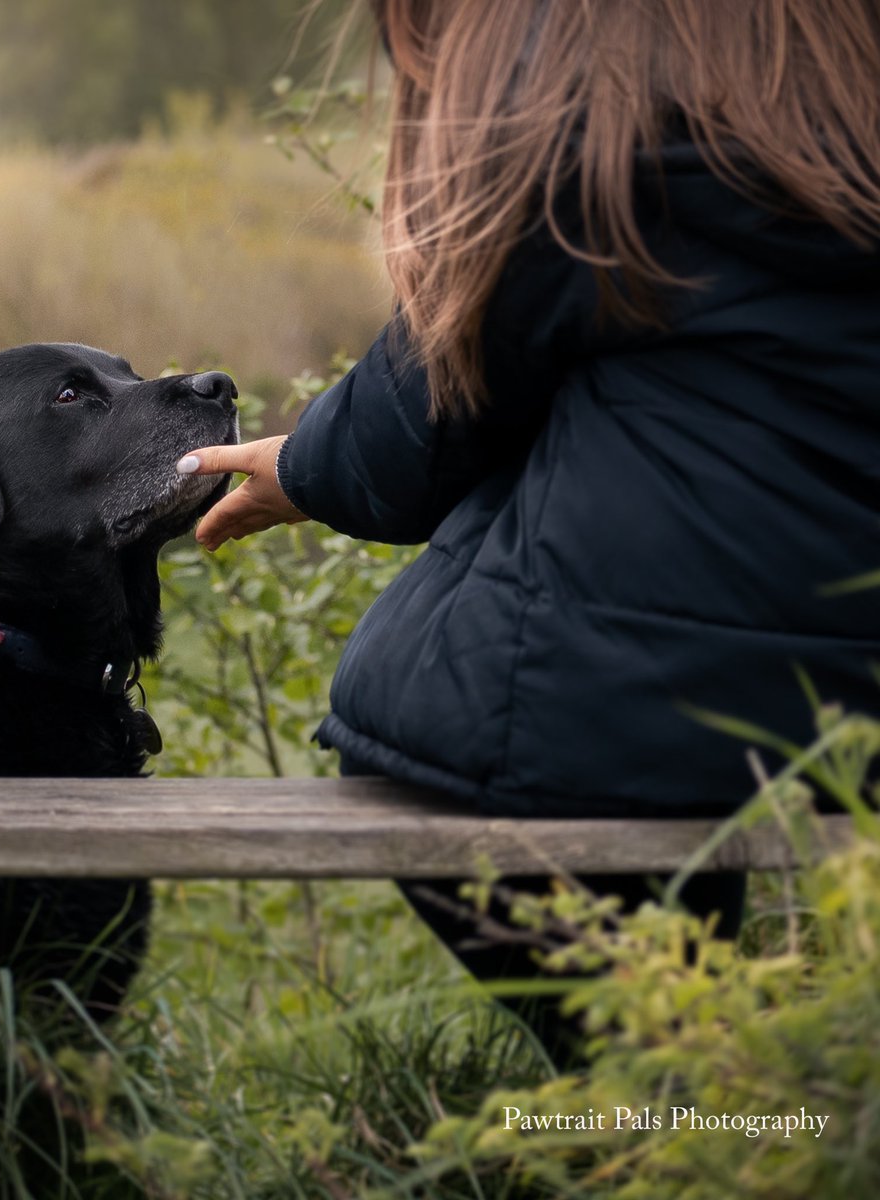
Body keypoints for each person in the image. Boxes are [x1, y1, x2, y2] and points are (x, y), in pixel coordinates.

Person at [176, 0, 880, 1058]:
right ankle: (758, 1096)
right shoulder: (838, 130)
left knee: (446, 754)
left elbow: (433, 402)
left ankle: (690, 1106)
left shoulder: (598, 142)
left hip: (648, 720)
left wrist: (304, 466)